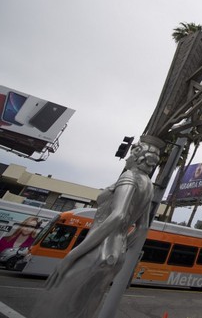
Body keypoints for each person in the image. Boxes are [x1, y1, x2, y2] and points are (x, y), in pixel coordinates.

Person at [31, 135, 162, 318]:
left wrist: (71, 256)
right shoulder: (148, 186)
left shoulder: (129, 177)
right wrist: (121, 244)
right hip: (117, 254)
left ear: (137, 155)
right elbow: (142, 228)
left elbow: (118, 215)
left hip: (98, 249)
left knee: (59, 302)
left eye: (131, 152)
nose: (126, 157)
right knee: (87, 306)